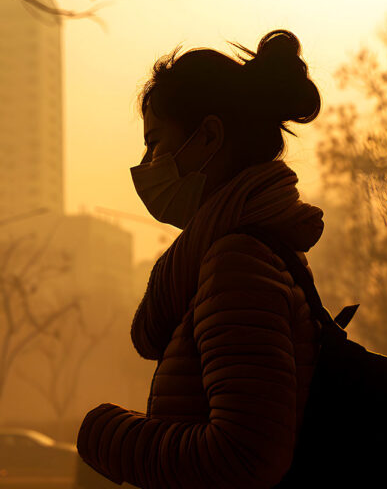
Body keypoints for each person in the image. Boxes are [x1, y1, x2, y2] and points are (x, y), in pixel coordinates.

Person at [76, 30, 325, 488]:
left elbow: (244, 456)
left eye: (155, 142)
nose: (146, 163)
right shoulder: (245, 253)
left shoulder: (238, 264)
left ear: (209, 135)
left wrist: (103, 434)